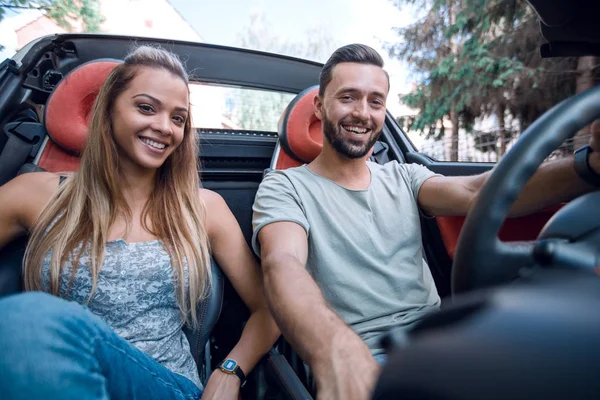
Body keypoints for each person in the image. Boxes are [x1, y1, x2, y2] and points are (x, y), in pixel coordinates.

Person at [252, 43, 600, 400]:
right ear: (319, 106)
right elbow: (283, 264)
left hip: (445, 341)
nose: (362, 113)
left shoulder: (404, 176)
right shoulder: (284, 186)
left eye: (375, 101)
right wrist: (335, 351)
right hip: (361, 357)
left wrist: (587, 166)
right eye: (348, 97)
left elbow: (477, 191)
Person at [0, 46, 280, 400]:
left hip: (165, 387)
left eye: (178, 118)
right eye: (146, 108)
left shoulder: (202, 208)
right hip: (57, 382)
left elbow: (270, 308)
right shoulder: (36, 194)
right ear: (108, 110)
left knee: (31, 320)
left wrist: (230, 371)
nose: (164, 127)